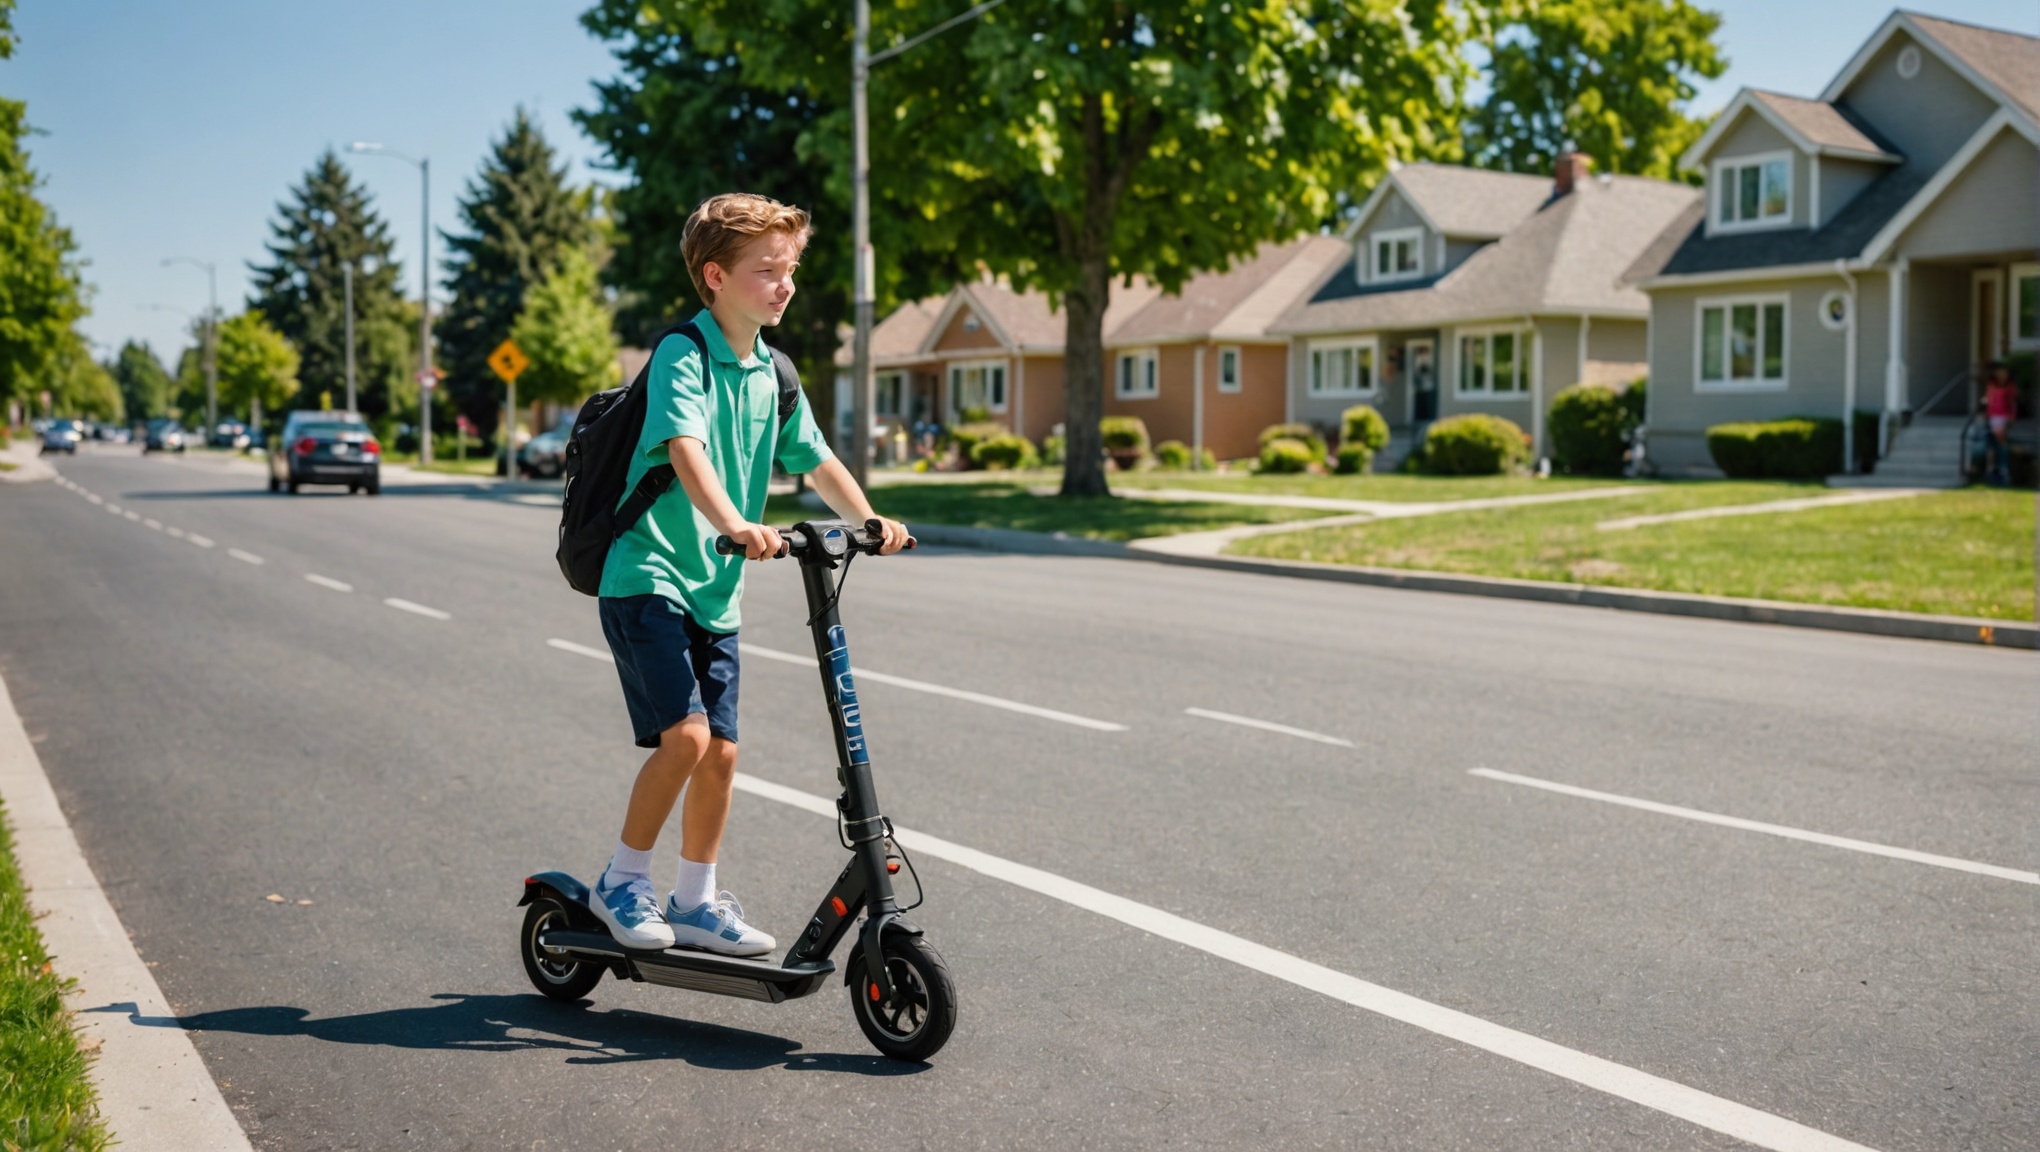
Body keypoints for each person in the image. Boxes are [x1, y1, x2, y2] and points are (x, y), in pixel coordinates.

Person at [589, 193, 907, 954]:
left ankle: (695, 900)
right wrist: (734, 522)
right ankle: (621, 881)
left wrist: (869, 519)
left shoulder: (774, 372)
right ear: (715, 276)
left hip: (714, 590)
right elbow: (684, 449)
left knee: (724, 752)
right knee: (689, 739)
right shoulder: (683, 354)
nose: (784, 284)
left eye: (789, 269)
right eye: (767, 270)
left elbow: (816, 460)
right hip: (648, 575)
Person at [1982, 361, 2018, 486]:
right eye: (1999, 372)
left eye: (2003, 373)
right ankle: (1992, 469)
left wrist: (2011, 416)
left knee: (2000, 442)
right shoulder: (1992, 384)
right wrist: (1986, 411)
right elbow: (1988, 399)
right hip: (1993, 415)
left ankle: (2003, 468)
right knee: (1993, 445)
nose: (2001, 375)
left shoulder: (2010, 387)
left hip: (2004, 416)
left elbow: (2013, 402)